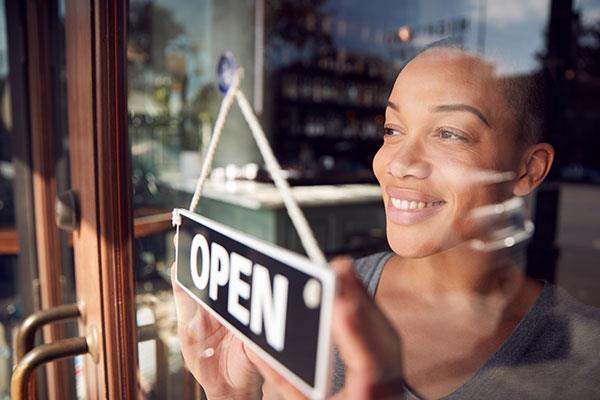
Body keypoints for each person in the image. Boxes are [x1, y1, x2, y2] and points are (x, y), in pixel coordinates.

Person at [172, 44, 600, 399]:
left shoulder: (585, 359)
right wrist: (232, 396)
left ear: (528, 170)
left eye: (449, 133)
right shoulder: (318, 304)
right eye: (393, 130)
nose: (398, 163)